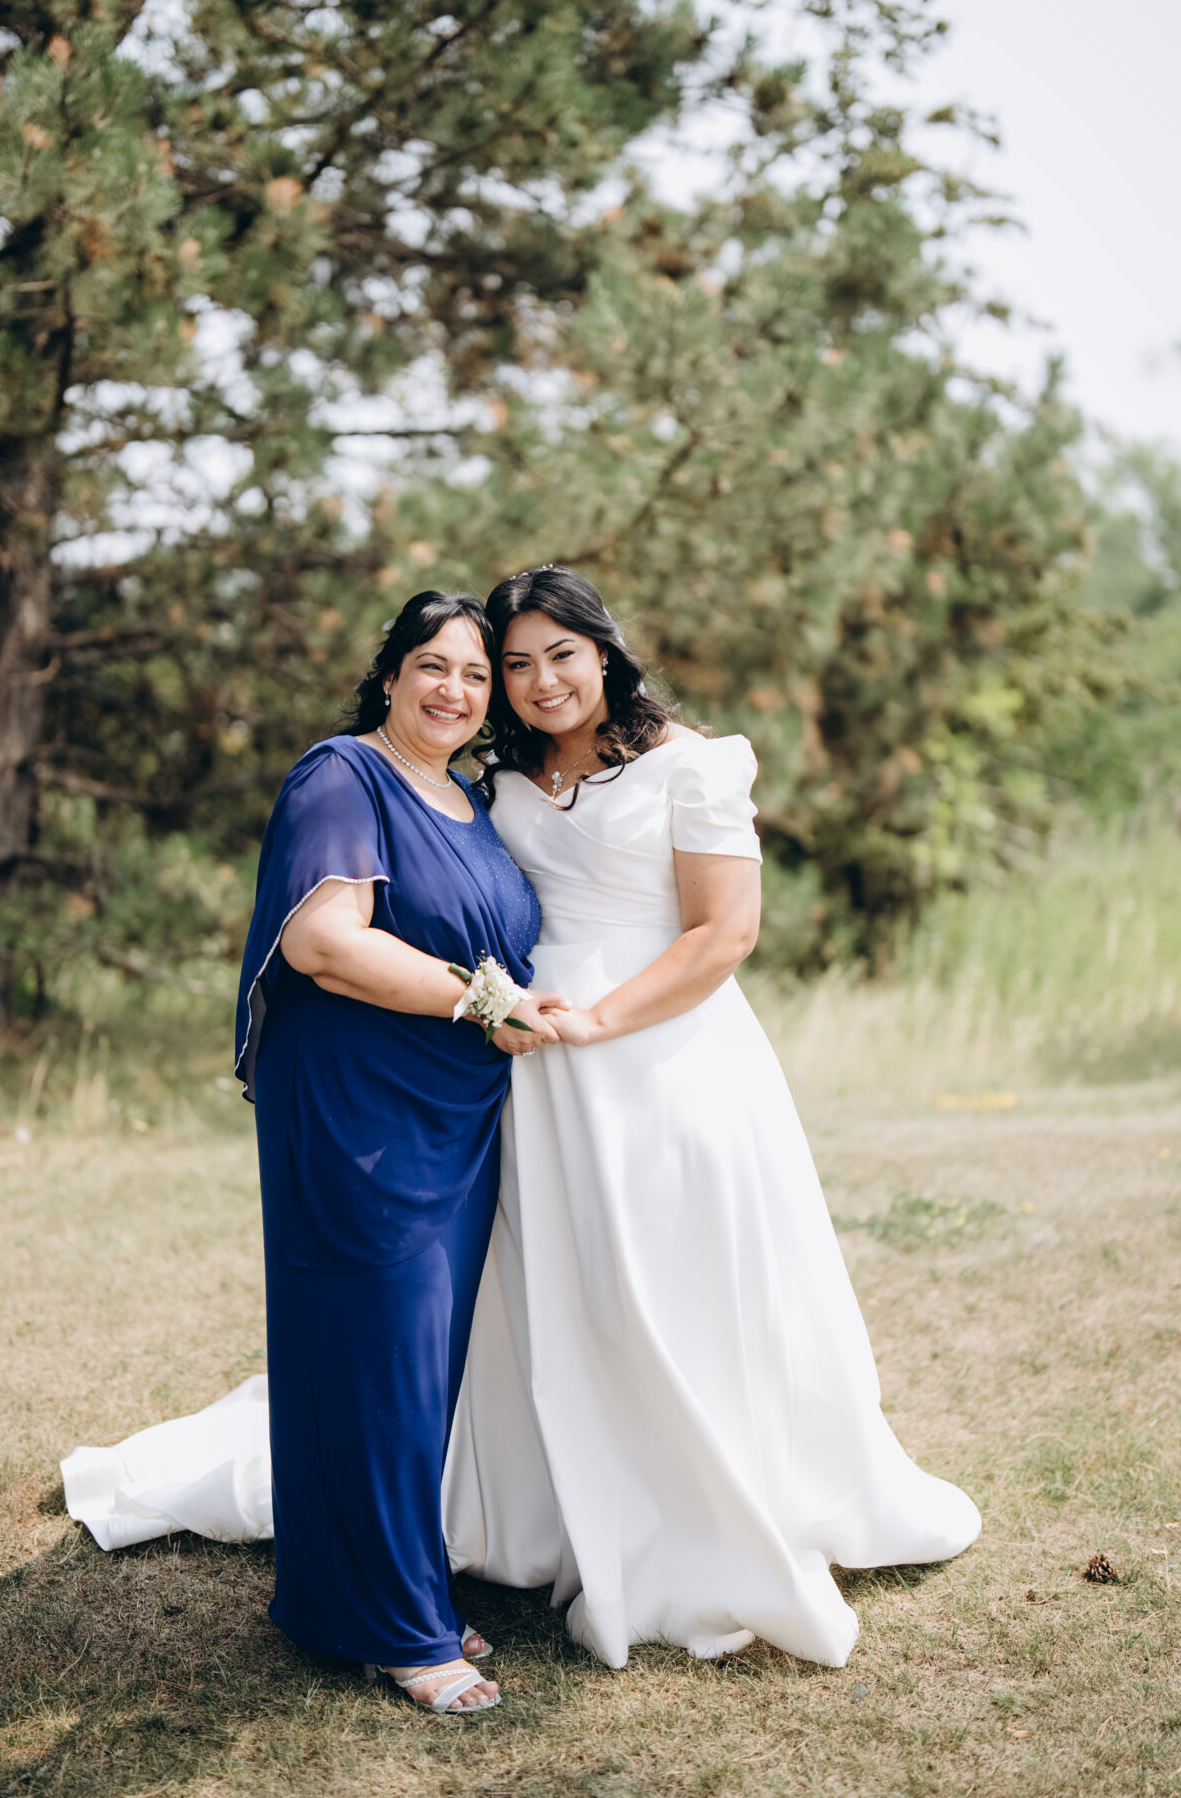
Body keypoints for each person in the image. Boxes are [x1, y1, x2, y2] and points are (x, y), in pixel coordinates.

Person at [441, 565, 982, 1670]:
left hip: (662, 1050)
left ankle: (709, 1512)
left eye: (561, 655)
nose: (541, 681)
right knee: (567, 1283)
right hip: (539, 1061)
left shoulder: (691, 765)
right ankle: (562, 1503)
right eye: (516, 664)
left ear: (602, 650)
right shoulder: (501, 777)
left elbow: (723, 932)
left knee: (677, 1272)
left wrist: (602, 1019)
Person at [65, 591, 560, 1716]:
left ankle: (385, 1589)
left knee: (418, 1367)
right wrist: (486, 1002)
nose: (453, 690)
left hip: (455, 1111)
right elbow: (324, 944)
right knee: (376, 1357)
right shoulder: (343, 777)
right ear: (389, 675)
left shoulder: (472, 800)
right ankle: (398, 1630)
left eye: (475, 675)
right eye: (431, 665)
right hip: (355, 1111)